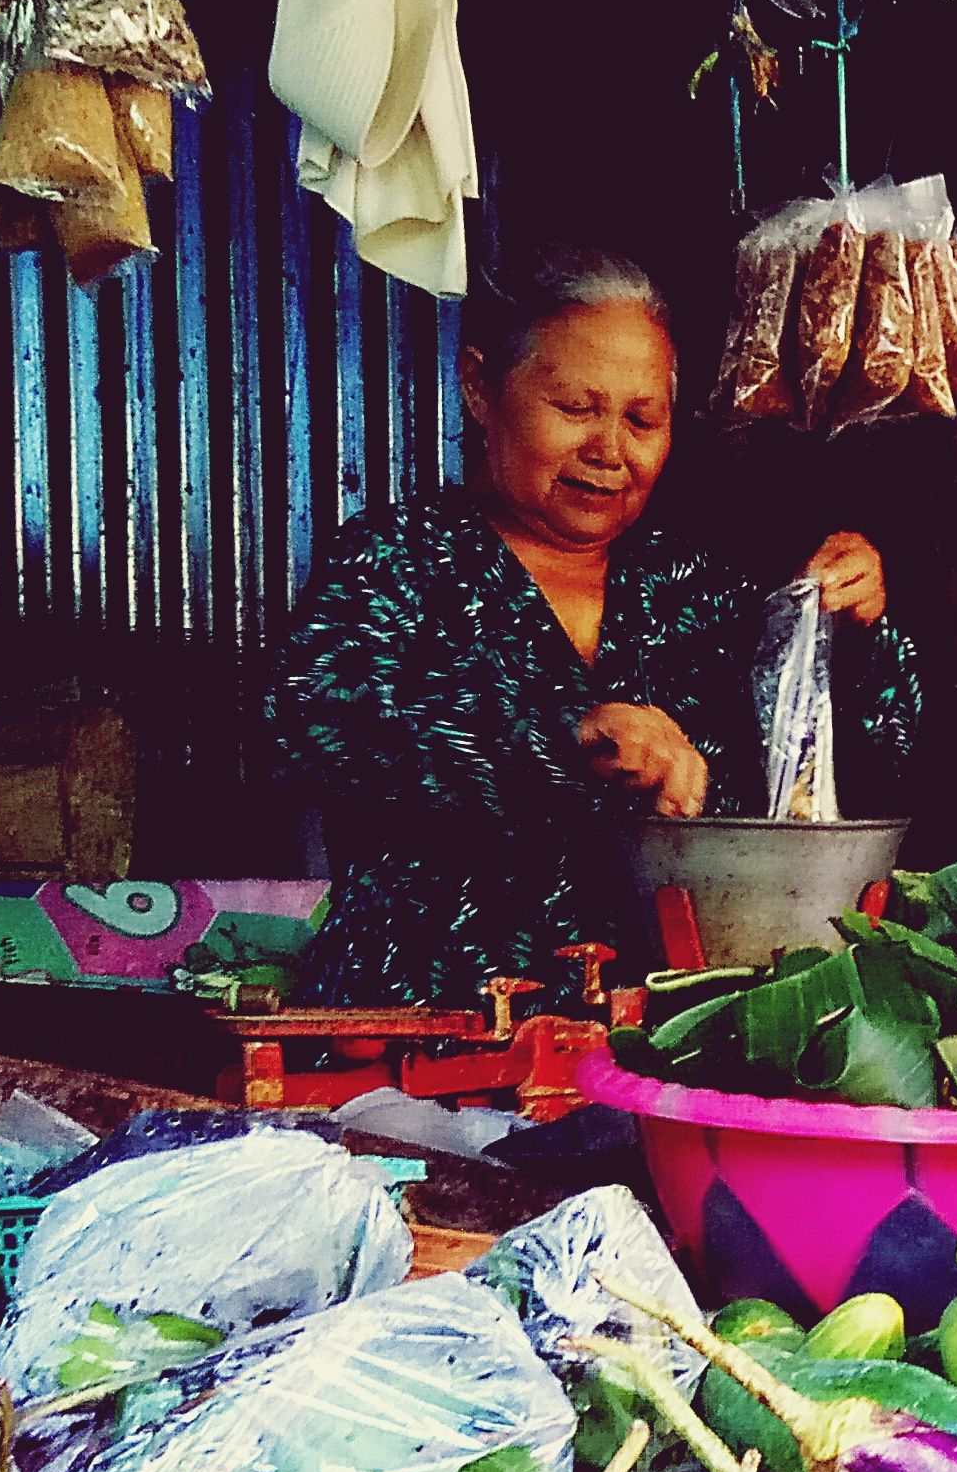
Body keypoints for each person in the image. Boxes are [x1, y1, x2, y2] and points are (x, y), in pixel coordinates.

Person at [277, 244, 916, 1007]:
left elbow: (875, 758)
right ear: (481, 388)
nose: (609, 450)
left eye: (642, 419)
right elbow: (315, 720)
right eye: (576, 409)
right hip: (423, 1021)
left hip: (661, 1038)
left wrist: (855, 628)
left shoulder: (694, 590)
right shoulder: (399, 562)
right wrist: (567, 735)